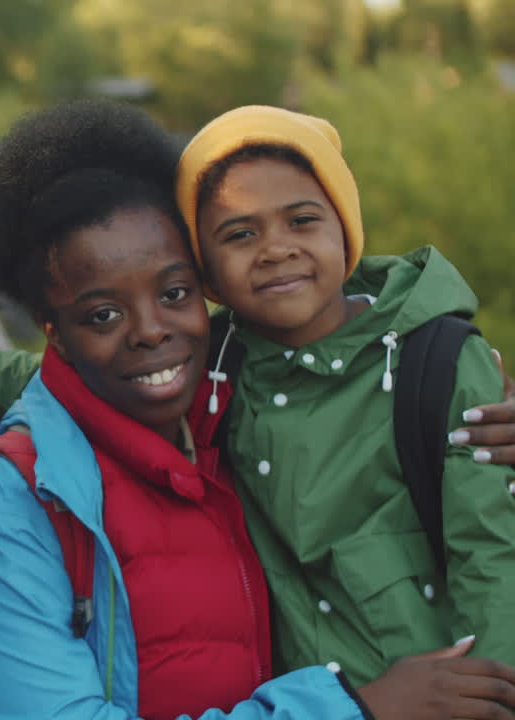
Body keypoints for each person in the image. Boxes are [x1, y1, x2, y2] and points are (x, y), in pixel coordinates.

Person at [0, 99, 515, 720]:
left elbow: (490, 560)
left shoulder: (246, 386)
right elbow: (25, 376)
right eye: (103, 315)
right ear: (54, 331)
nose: (150, 332)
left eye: (173, 293)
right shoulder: (14, 503)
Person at [174, 105, 515, 685]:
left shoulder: (438, 360)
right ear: (204, 264)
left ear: (345, 229)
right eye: (239, 233)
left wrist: (494, 694)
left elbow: (491, 560)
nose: (276, 249)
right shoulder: (206, 368)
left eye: (302, 221)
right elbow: (64, 373)